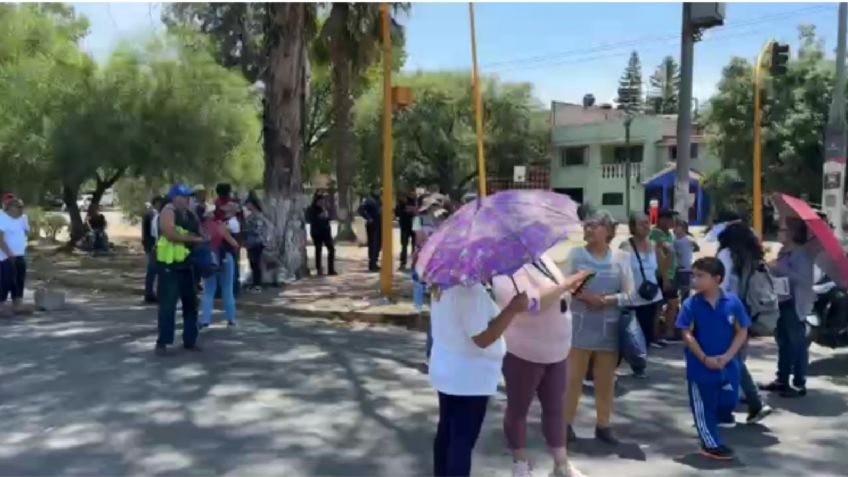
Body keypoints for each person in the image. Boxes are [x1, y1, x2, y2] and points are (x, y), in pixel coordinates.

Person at [492, 256, 590, 477]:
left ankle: (561, 464)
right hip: (524, 350)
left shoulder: (542, 257)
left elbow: (556, 294)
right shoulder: (505, 269)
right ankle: (520, 463)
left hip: (557, 349)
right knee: (518, 409)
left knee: (555, 408)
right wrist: (564, 285)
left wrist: (570, 289)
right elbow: (531, 304)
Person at [429, 280, 529, 477]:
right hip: (468, 378)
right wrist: (512, 309)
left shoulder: (442, 284)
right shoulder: (468, 291)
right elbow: (482, 338)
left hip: (449, 370)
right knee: (461, 441)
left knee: (448, 434)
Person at [561, 210, 634, 445]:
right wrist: (583, 295)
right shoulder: (576, 254)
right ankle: (565, 424)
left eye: (594, 226)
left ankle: (604, 425)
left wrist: (605, 300)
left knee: (605, 381)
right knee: (572, 379)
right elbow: (562, 285)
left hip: (609, 330)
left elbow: (630, 295)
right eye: (586, 225)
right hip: (579, 328)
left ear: (609, 232)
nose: (588, 229)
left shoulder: (621, 258)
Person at [676, 257, 750, 461]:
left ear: (717, 279)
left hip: (727, 365)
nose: (695, 280)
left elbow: (742, 330)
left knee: (729, 399)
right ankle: (710, 443)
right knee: (704, 405)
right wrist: (703, 357)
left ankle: (720, 419)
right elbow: (686, 333)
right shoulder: (691, 304)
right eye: (694, 275)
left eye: (701, 276)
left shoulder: (732, 302)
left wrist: (728, 356)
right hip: (700, 367)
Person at [716, 223, 774, 423]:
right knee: (734, 359)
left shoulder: (726, 255)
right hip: (747, 312)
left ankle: (754, 402)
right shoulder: (752, 256)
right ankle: (730, 405)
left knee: (731, 360)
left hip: (727, 313)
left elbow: (719, 286)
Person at [760, 217, 814, 397]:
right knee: (783, 341)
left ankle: (799, 382)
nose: (778, 232)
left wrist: (780, 269)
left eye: (782, 230)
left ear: (793, 232)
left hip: (794, 303)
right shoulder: (784, 251)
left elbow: (805, 281)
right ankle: (782, 379)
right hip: (781, 302)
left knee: (796, 342)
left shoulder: (801, 254)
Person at [155, 184, 205, 355]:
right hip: (170, 265)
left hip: (187, 264)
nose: (187, 199)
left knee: (191, 304)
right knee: (168, 305)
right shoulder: (168, 211)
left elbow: (201, 232)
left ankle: (190, 340)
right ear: (174, 197)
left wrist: (203, 239)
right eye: (184, 197)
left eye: (189, 197)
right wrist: (193, 239)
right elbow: (169, 233)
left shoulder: (190, 213)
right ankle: (163, 341)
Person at [619, 212, 663, 376]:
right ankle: (629, 362)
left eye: (647, 223)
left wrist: (666, 252)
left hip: (651, 296)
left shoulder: (653, 245)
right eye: (641, 224)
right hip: (632, 298)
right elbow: (620, 272)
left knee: (646, 333)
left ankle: (639, 364)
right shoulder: (626, 246)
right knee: (630, 334)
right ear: (632, 227)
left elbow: (658, 270)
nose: (646, 226)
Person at [199, 205, 240, 328]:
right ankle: (231, 318)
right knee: (227, 289)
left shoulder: (201, 228)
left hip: (208, 259)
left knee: (208, 290)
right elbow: (234, 243)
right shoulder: (222, 226)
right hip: (225, 258)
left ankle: (205, 319)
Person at [650, 209, 678, 345]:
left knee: (672, 303)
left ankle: (667, 332)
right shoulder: (656, 234)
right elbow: (661, 255)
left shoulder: (669, 234)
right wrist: (665, 277)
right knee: (659, 306)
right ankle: (656, 335)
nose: (672, 222)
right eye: (670, 218)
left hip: (671, 273)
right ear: (661, 219)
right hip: (661, 275)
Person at [0, 198, 30, 308]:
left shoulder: (22, 218)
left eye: (22, 207)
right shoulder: (2, 217)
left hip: (20, 254)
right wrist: (9, 253)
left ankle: (18, 303)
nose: (21, 209)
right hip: (4, 256)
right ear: (11, 207)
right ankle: (1, 301)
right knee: (6, 281)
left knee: (19, 279)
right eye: (19, 207)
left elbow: (26, 232)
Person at [307, 191, 337, 276]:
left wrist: (327, 216)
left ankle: (331, 269)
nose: (322, 202)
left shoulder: (324, 208)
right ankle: (319, 269)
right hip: (317, 233)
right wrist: (319, 217)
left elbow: (329, 218)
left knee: (331, 249)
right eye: (321, 201)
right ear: (317, 201)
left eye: (323, 201)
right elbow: (310, 220)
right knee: (318, 250)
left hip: (326, 233)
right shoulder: (312, 209)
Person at [243, 198, 270, 292]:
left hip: (257, 242)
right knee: (253, 264)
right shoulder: (251, 215)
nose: (246, 207)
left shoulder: (257, 216)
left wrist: (246, 230)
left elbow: (258, 229)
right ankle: (255, 283)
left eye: (247, 204)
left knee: (256, 263)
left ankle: (258, 285)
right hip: (251, 243)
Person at [142, 196, 164, 303]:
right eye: (159, 203)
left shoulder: (159, 215)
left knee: (158, 271)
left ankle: (156, 293)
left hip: (157, 246)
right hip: (152, 246)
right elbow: (146, 232)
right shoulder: (150, 215)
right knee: (152, 271)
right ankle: (149, 294)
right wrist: (147, 246)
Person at [674, 219, 700, 302]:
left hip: (686, 268)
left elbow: (697, 247)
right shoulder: (673, 240)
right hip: (675, 269)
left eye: (679, 227)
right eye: (676, 226)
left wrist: (690, 251)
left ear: (684, 229)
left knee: (685, 292)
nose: (676, 229)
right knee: (675, 292)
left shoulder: (688, 239)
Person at [359, 192, 381, 272]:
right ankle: (372, 264)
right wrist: (368, 218)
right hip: (372, 226)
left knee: (378, 244)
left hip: (379, 225)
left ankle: (374, 262)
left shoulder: (379, 200)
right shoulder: (368, 200)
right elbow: (361, 210)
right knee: (373, 245)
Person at [396, 190, 418, 271]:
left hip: (415, 225)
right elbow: (398, 212)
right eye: (411, 192)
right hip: (405, 226)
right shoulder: (402, 202)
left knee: (414, 246)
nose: (413, 194)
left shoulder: (416, 202)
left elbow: (418, 211)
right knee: (404, 245)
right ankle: (403, 263)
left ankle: (414, 263)